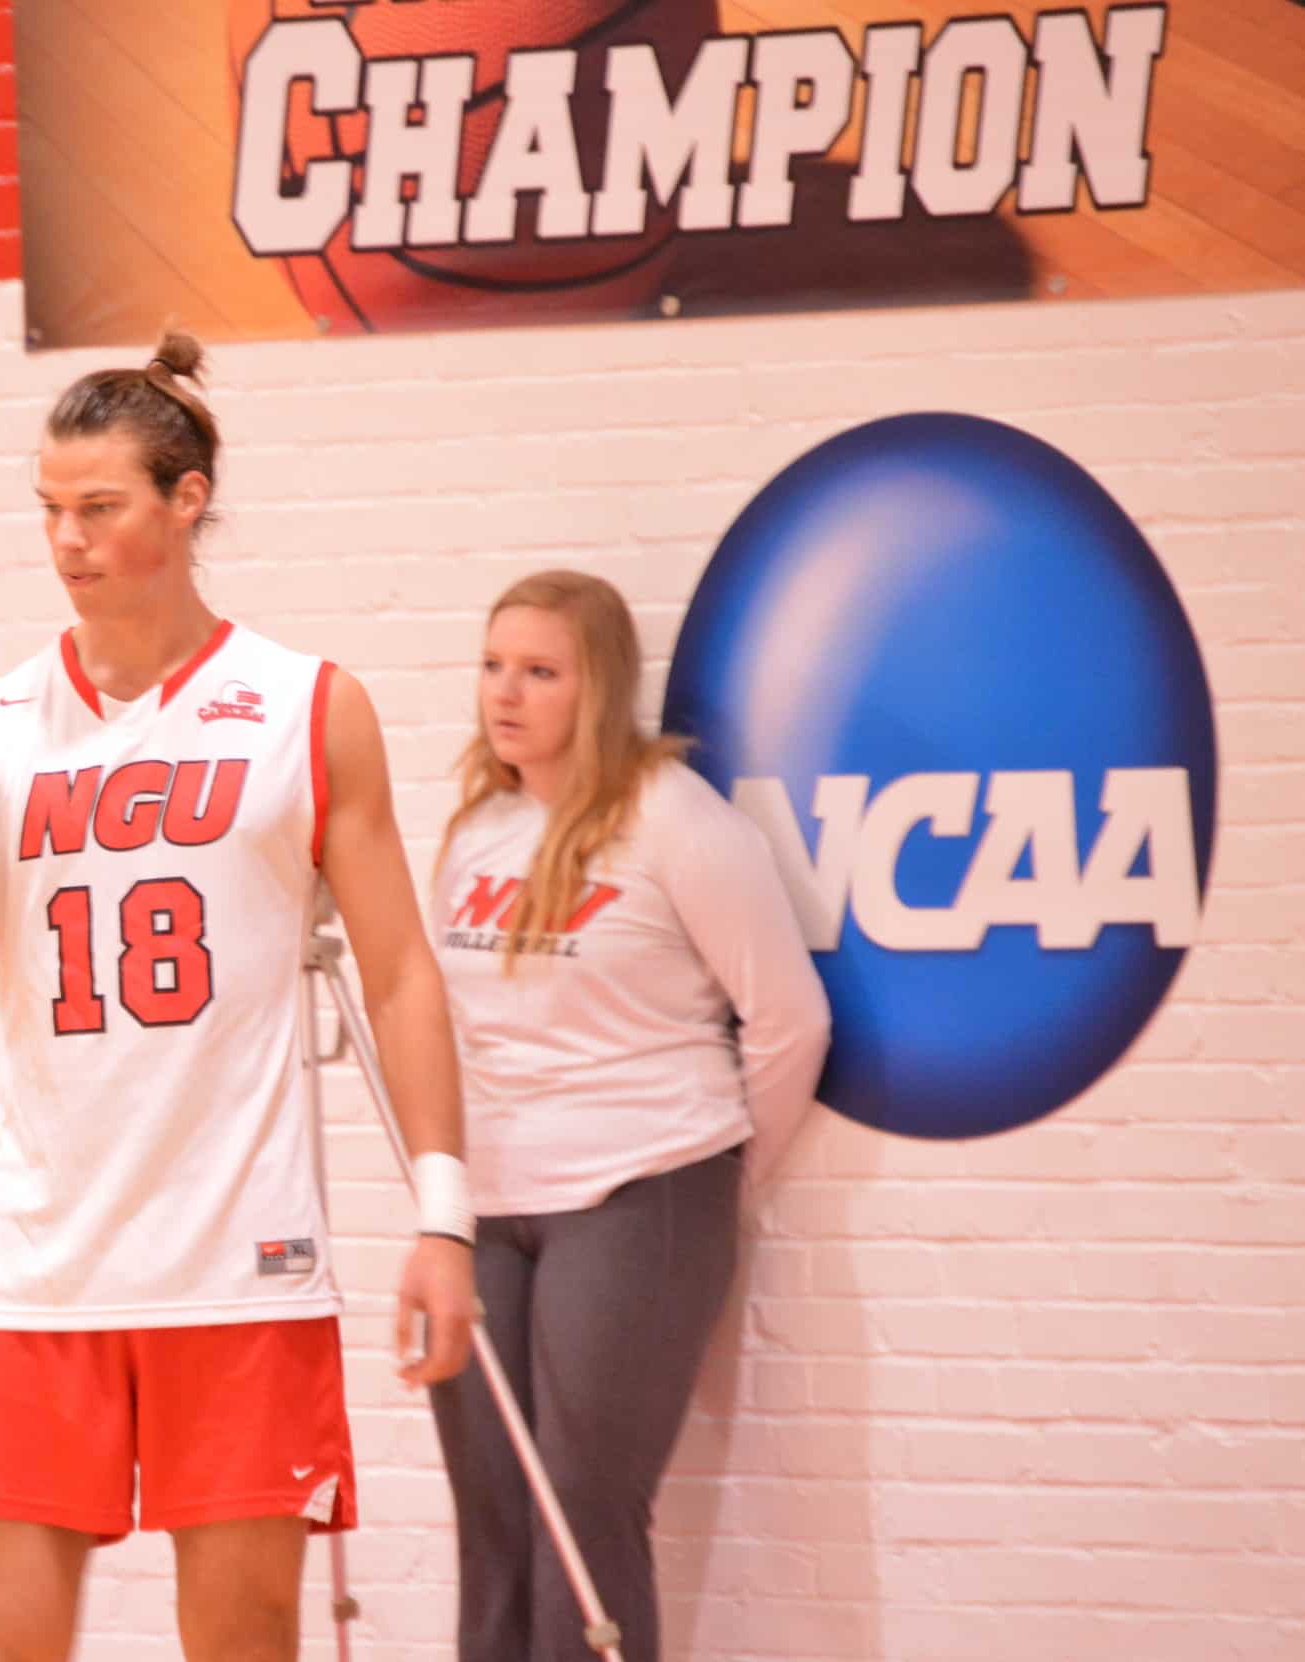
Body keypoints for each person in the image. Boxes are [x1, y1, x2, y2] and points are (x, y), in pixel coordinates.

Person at [0, 332, 478, 1662]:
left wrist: (446, 1221)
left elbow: (402, 972)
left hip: (241, 1266)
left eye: (100, 507)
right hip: (39, 1270)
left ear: (186, 499)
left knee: (242, 1643)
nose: (66, 539)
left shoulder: (307, 708)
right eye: (48, 509)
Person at [424, 570, 831, 1662]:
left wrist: (708, 1188)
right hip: (490, 1216)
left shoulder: (672, 821)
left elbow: (789, 1019)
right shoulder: (476, 830)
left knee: (580, 1518)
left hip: (636, 1191)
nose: (505, 693)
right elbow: (455, 1037)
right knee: (494, 1522)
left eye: (540, 671)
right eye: (493, 664)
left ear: (597, 687)